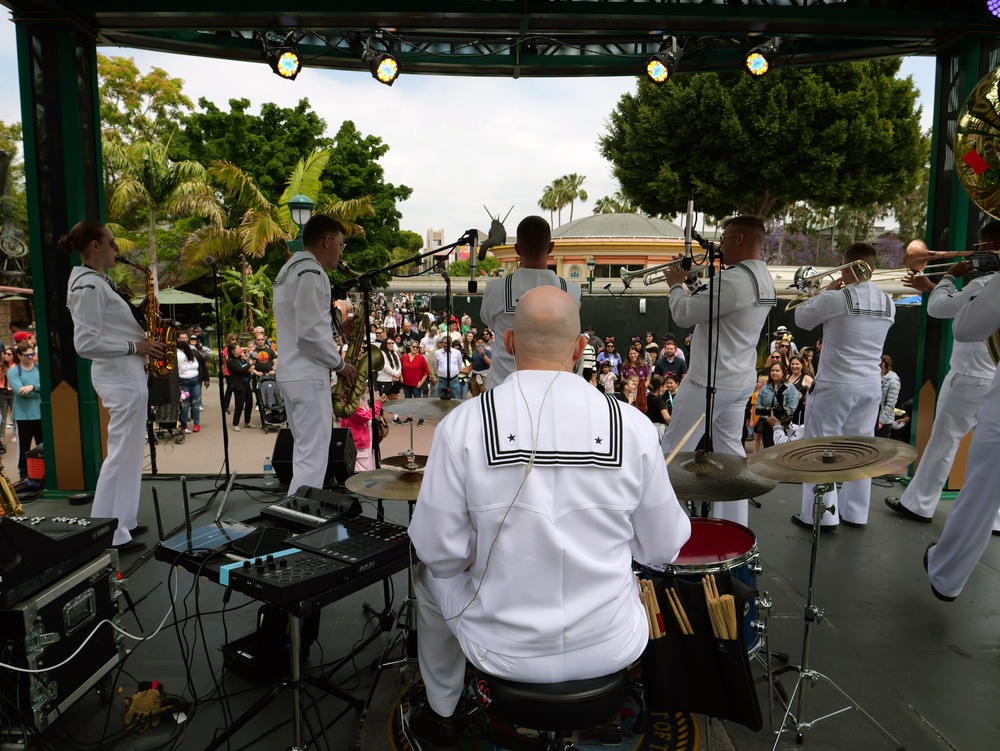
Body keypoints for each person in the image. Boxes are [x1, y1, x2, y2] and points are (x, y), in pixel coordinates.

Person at [405, 287, 690, 749]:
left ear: (510, 342)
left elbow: (439, 552)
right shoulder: (632, 425)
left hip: (502, 648)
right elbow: (662, 548)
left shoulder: (463, 424)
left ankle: (441, 712)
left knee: (426, 578)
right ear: (580, 348)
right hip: (610, 641)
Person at [660, 215, 777, 526]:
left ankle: (670, 530)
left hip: (708, 381)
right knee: (732, 460)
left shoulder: (735, 279)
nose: (720, 243)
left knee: (672, 455)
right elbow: (720, 309)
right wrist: (694, 284)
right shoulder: (762, 277)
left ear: (739, 239)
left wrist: (674, 286)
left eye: (725, 237)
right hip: (738, 380)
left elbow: (684, 314)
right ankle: (734, 527)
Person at [61, 220, 166, 552]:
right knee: (120, 454)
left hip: (128, 374)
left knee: (131, 453)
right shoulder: (88, 286)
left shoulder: (99, 282)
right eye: (110, 243)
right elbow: (86, 344)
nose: (116, 249)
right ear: (95, 246)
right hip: (119, 376)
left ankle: (124, 522)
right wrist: (137, 347)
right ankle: (105, 531)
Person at [885, 233, 1000, 530]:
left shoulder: (983, 283)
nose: (974, 250)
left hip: (967, 375)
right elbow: (970, 306)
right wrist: (935, 287)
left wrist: (948, 275)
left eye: (981, 245)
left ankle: (919, 503)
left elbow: (941, 309)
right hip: (993, 377)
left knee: (943, 442)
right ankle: (995, 517)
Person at [793, 242, 895, 530]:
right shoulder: (889, 302)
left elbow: (801, 319)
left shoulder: (836, 299)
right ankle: (855, 513)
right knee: (861, 449)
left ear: (847, 266)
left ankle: (822, 516)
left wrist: (824, 293)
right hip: (870, 386)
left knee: (820, 447)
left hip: (836, 384)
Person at [924, 257, 1000, 601]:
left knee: (978, 488)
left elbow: (963, 326)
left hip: (972, 380)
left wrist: (950, 282)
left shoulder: (986, 282)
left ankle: (946, 574)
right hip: (986, 378)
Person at [273, 214, 358, 494]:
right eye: (341, 245)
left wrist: (336, 331)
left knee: (305, 455)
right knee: (313, 460)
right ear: (327, 241)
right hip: (309, 376)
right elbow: (308, 335)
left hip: (294, 372)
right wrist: (340, 364)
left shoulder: (289, 270)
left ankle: (298, 519)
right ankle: (300, 526)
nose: (341, 252)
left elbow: (301, 327)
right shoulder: (311, 273)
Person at [481, 215, 582, 389]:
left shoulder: (495, 289)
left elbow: (489, 322)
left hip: (502, 390)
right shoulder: (571, 291)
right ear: (550, 248)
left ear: (517, 249)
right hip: (556, 390)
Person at [8, 341, 43, 489]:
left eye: (32, 354)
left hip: (41, 414)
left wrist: (32, 387)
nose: (31, 357)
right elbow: (18, 391)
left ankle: (43, 472)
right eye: (28, 355)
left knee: (43, 446)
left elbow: (46, 385)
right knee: (25, 447)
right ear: (20, 356)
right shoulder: (14, 371)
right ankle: (24, 474)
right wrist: (37, 392)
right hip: (24, 416)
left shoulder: (39, 368)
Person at [754, 360, 800, 449]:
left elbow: (792, 408)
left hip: (783, 424)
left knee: (781, 449)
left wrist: (782, 414)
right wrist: (767, 417)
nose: (774, 373)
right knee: (768, 449)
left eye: (777, 370)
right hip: (767, 423)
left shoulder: (790, 388)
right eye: (772, 370)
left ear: (783, 373)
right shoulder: (765, 387)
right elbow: (758, 404)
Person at [176, 332, 203, 434]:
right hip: (184, 381)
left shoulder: (192, 354)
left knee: (195, 404)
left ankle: (196, 424)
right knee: (185, 405)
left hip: (194, 380)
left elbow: (199, 365)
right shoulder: (179, 356)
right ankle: (184, 425)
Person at [876, 354, 900, 437]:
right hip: (875, 418)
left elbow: (890, 403)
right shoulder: (878, 378)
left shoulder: (893, 381)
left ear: (883, 364)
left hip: (884, 422)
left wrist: (881, 421)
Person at [0, 348, 13, 454]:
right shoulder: (1, 366)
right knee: (3, 416)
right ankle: (1, 437)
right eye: (5, 354)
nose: (6, 356)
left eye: (9, 354)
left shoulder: (15, 367)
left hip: (12, 392)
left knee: (15, 414)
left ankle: (16, 435)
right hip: (2, 392)